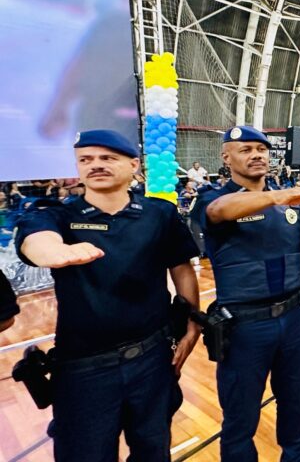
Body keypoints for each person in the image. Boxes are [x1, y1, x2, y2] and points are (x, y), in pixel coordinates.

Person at [15, 129, 201, 461]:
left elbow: (181, 266)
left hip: (153, 359)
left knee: (153, 450)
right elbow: (36, 240)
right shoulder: (59, 214)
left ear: (134, 166)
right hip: (84, 368)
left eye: (107, 158)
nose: (95, 165)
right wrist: (52, 251)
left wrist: (192, 323)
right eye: (85, 159)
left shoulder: (159, 213)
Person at [192, 125, 300, 461]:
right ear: (226, 157)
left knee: (295, 402)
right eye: (246, 149)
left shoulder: (289, 199)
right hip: (244, 327)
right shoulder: (212, 198)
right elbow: (218, 212)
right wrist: (277, 197)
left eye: (262, 149)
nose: (256, 155)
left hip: (294, 318)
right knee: (240, 415)